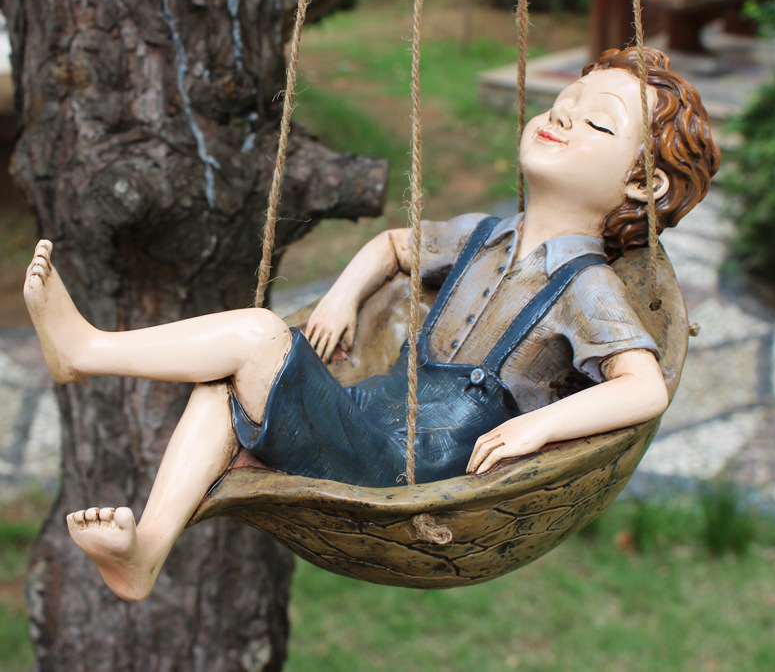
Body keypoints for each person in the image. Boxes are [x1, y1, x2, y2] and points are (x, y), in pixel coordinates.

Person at [23, 46, 720, 601]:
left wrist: (536, 427)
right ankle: (145, 553)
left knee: (260, 336)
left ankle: (87, 350)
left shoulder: (587, 285)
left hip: (414, 463)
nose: (562, 117)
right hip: (373, 417)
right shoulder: (484, 236)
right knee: (217, 392)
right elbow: (393, 246)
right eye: (563, 103)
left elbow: (643, 388)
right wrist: (341, 298)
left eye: (597, 124)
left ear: (642, 183)